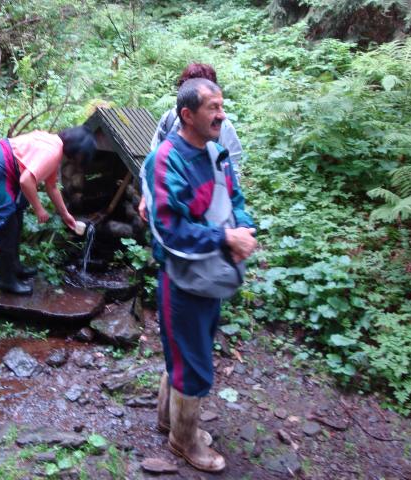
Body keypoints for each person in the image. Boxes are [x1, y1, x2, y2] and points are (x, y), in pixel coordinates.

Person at [141, 78, 257, 472]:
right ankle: (184, 441)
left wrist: (244, 227)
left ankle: (167, 421)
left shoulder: (215, 152)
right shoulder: (165, 160)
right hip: (182, 280)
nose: (222, 115)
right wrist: (225, 238)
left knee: (187, 351)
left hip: (211, 275)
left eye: (222, 106)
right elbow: (169, 230)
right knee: (192, 361)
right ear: (187, 115)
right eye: (213, 108)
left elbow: (235, 198)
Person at [0, 127, 96, 295]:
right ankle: (6, 281)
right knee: (6, 226)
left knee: (16, 219)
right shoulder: (52, 152)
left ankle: (15, 268)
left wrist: (65, 214)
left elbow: (51, 187)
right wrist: (39, 209)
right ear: (77, 150)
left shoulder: (53, 145)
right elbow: (26, 181)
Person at [139, 62, 243, 221]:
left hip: (210, 206)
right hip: (173, 200)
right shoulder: (170, 118)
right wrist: (147, 194)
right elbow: (154, 157)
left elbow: (232, 167)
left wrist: (232, 213)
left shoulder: (222, 126)